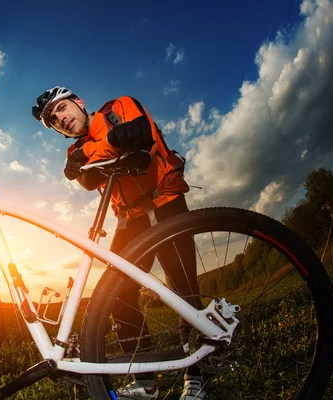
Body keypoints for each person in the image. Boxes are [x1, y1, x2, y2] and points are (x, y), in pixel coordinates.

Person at [32, 87, 207, 400]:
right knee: (116, 295)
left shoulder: (120, 106)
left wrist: (95, 151)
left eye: (62, 108)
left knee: (184, 289)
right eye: (54, 120)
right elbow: (85, 179)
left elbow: (142, 139)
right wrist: (110, 145)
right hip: (131, 219)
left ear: (78, 103)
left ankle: (197, 373)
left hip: (165, 202)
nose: (62, 119)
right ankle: (145, 381)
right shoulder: (75, 149)